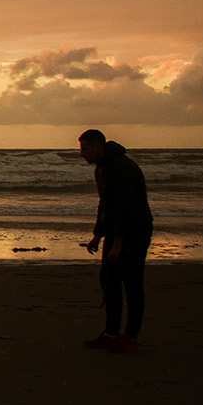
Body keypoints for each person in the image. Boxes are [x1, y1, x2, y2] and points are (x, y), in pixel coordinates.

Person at [78, 128, 153, 354]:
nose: (82, 154)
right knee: (109, 281)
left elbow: (125, 208)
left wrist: (118, 244)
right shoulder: (102, 168)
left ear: (98, 147)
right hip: (115, 230)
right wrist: (98, 235)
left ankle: (130, 337)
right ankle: (111, 333)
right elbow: (105, 204)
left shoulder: (121, 168)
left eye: (85, 149)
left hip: (134, 231)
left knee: (131, 284)